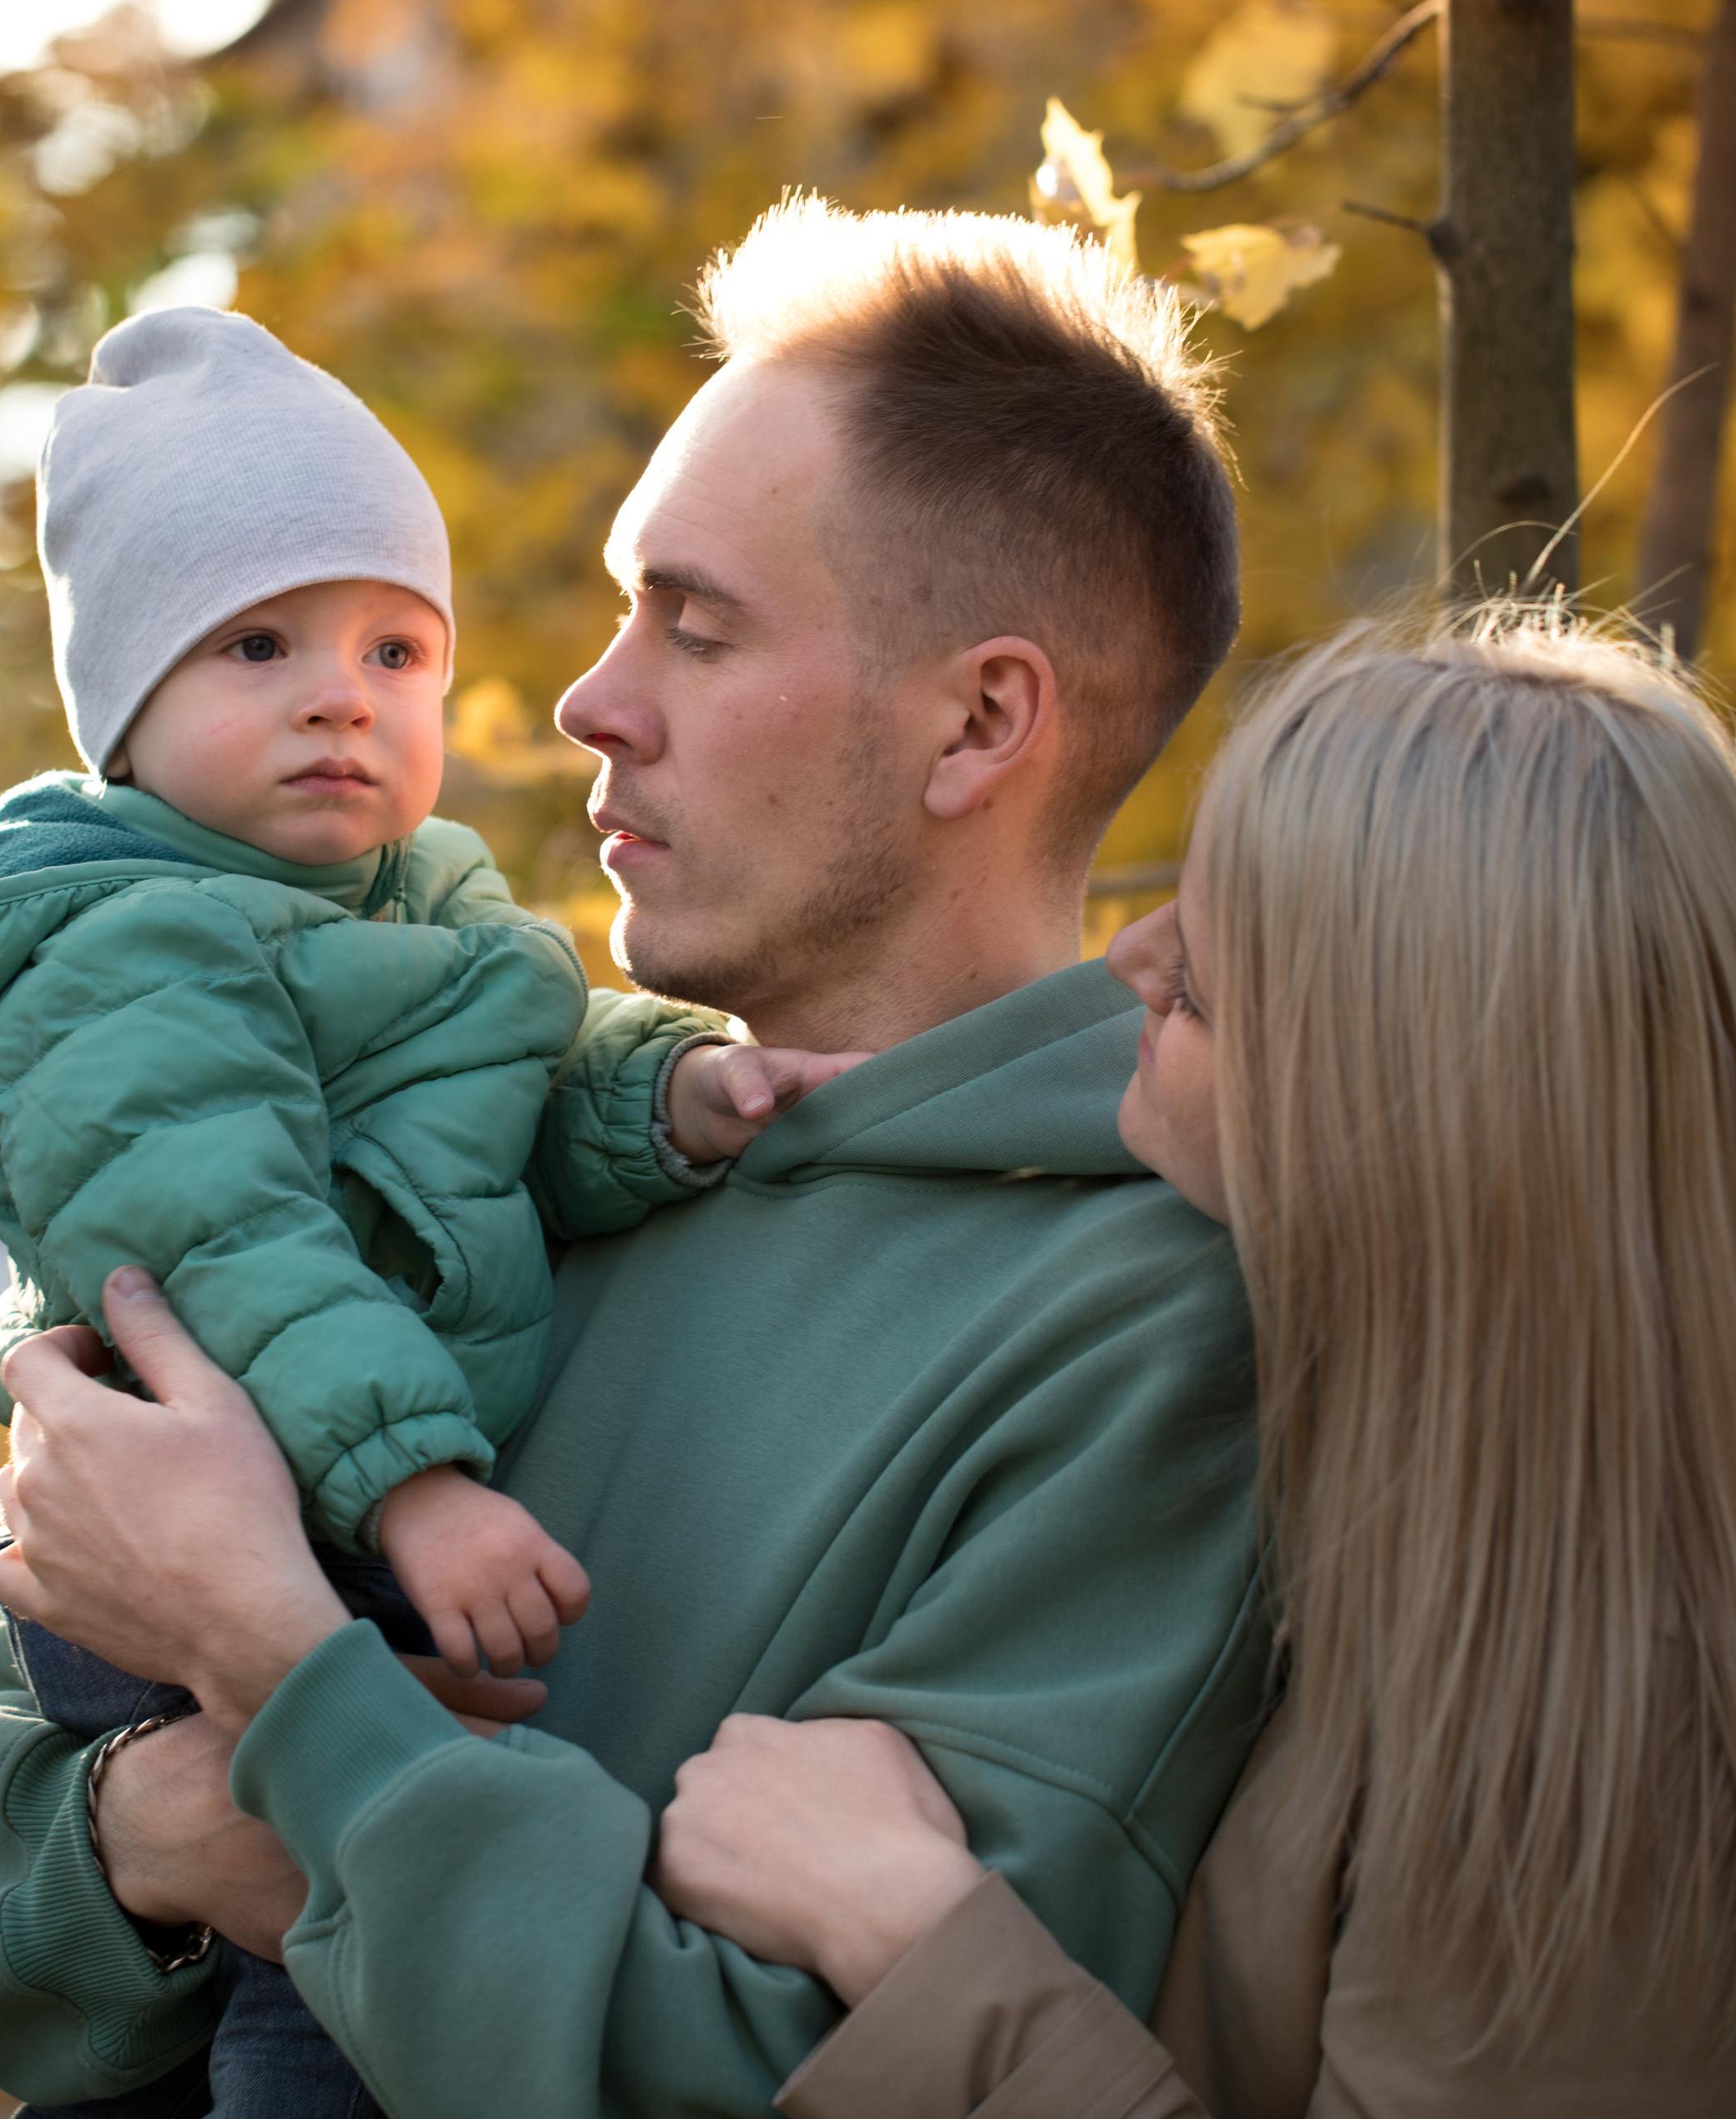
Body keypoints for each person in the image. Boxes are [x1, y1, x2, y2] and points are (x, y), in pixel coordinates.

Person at [0, 195, 1268, 2119]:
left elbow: (827, 2067)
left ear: (978, 721)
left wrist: (284, 1682)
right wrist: (138, 1831)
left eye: (690, 624)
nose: (582, 701)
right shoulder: (492, 1118)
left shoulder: (1150, 1335)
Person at [0, 305, 853, 2119]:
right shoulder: (115, 953)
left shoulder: (413, 915)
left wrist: (665, 1093)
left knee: (333, 1923)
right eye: (256, 644)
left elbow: (507, 1076)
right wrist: (417, 1489)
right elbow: (228, 1249)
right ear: (124, 717)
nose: (339, 692)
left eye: (397, 647)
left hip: (322, 1512)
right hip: (237, 1509)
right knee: (330, 1972)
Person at [652, 615, 1736, 2117]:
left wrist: (906, 1932)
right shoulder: (1394, 1450)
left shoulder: (1626, 1732)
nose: (1129, 957)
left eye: (1212, 980)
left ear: (1402, 1111)